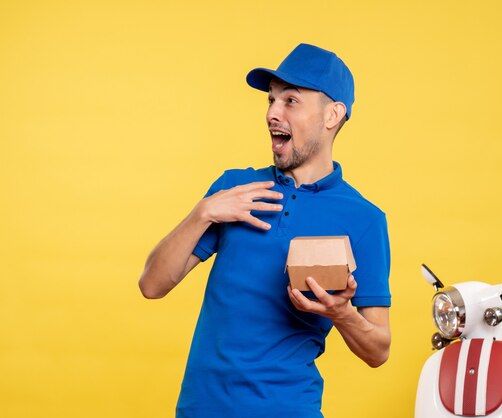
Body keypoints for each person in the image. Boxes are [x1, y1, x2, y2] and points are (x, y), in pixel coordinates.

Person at [139, 43, 391, 418]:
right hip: (201, 409)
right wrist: (202, 213)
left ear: (332, 115)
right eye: (271, 101)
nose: (273, 113)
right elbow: (152, 285)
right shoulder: (235, 189)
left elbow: (378, 350)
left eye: (290, 101)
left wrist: (342, 314)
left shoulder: (364, 218)